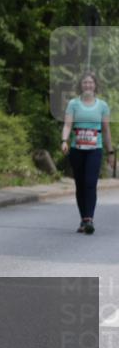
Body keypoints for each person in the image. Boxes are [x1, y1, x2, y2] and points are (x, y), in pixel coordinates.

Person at [61, 71, 114, 234]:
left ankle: (89, 219)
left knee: (90, 183)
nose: (88, 85)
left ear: (95, 85)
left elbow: (106, 130)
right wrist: (64, 140)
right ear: (81, 85)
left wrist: (110, 152)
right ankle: (83, 219)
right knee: (80, 184)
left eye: (90, 82)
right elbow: (68, 125)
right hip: (77, 150)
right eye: (85, 82)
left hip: (94, 150)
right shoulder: (73, 104)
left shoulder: (102, 106)